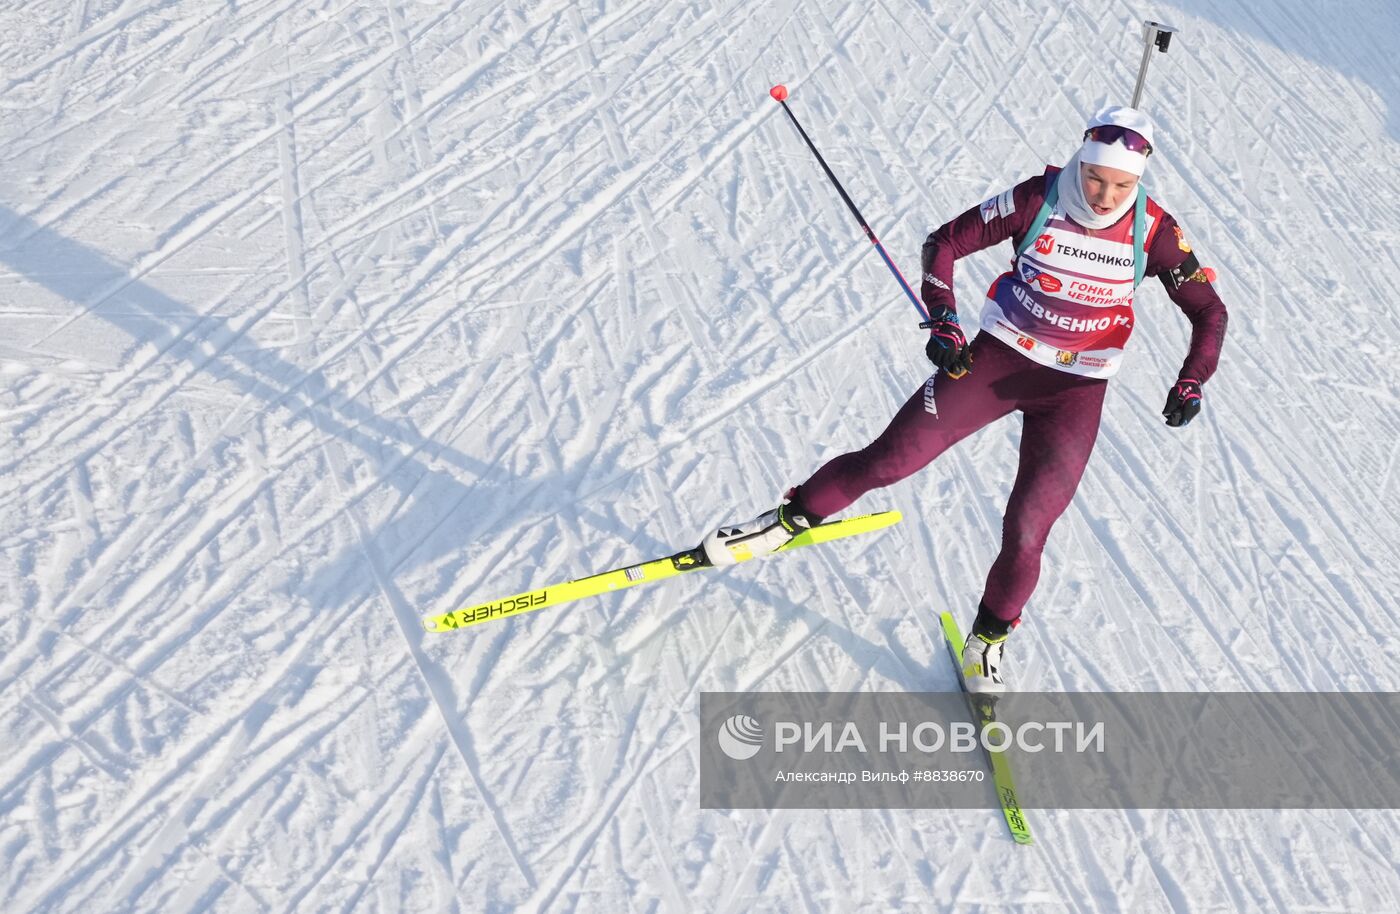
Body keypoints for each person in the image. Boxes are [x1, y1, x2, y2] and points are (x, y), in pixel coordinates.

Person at [699, 105, 1228, 693]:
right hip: (997, 361)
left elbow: (1208, 311)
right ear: (1081, 161)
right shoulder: (1038, 199)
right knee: (890, 460)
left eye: (1122, 185)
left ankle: (989, 641)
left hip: (1075, 391)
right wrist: (944, 319)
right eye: (1096, 179)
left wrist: (1192, 378)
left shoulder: (1153, 232)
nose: (1105, 196)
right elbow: (945, 243)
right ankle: (787, 519)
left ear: (1141, 179)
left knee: (1029, 528)